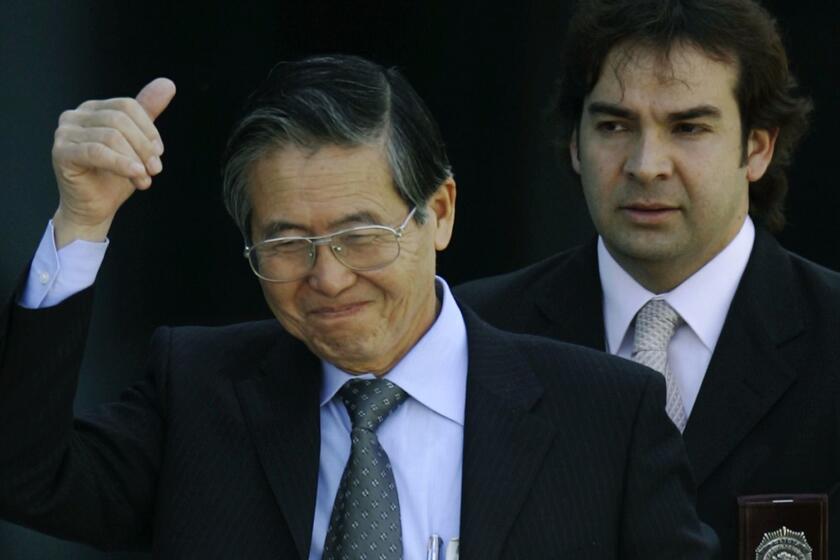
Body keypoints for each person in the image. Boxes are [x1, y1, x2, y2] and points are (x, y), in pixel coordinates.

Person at [0, 55, 716, 558]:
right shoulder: (198, 390)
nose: (329, 278)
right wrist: (83, 220)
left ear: (439, 213)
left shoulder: (604, 417)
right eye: (284, 243)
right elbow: (28, 479)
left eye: (361, 235)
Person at [457, 0, 840, 556]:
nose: (645, 164)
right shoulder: (479, 335)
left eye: (688, 127)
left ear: (758, 146)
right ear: (574, 144)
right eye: (614, 125)